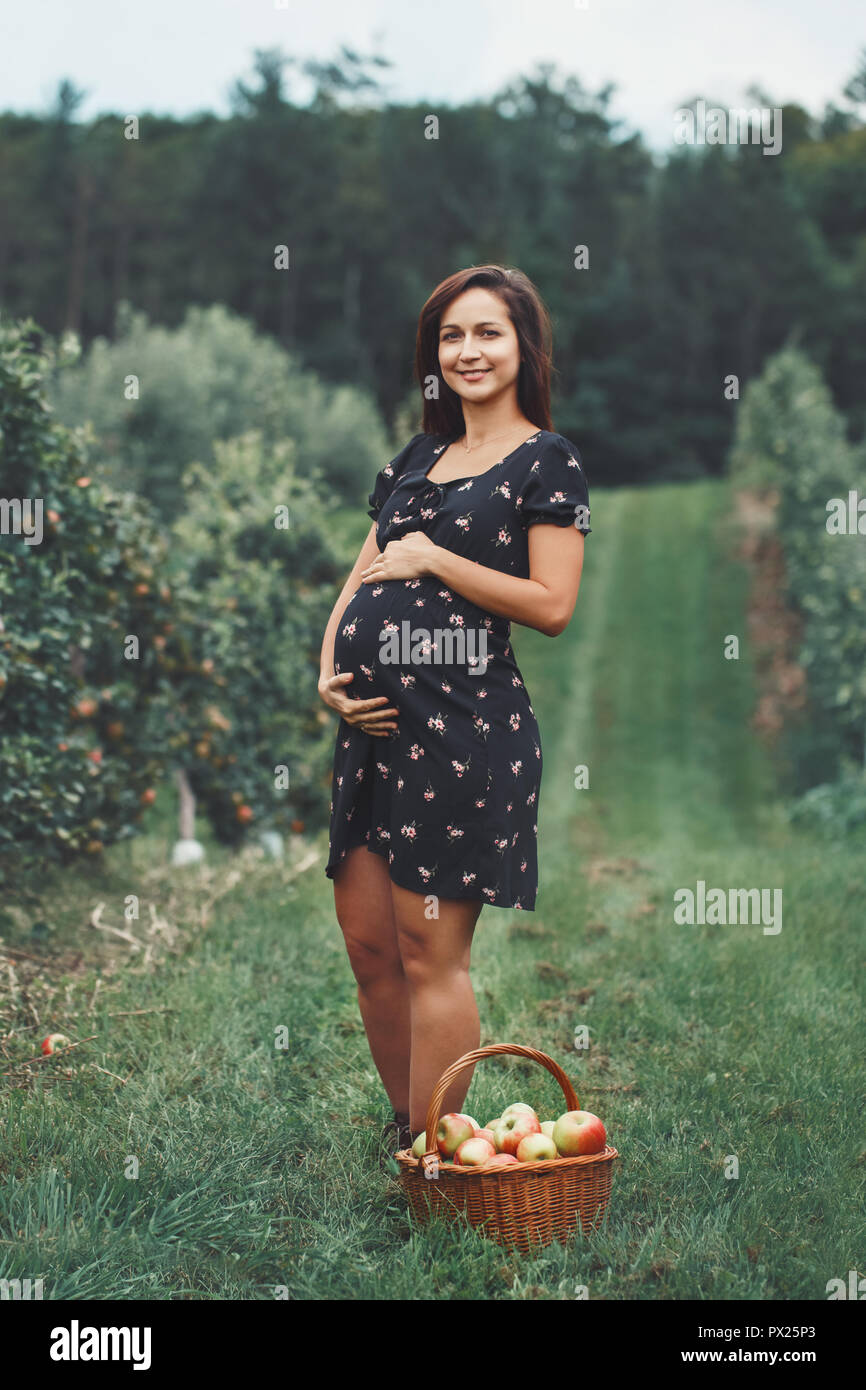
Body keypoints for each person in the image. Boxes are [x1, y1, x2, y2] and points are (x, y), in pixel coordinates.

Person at [317, 264, 591, 1158]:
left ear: (523, 347)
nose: (468, 351)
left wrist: (435, 559)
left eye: (488, 333)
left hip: (463, 737)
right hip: (372, 734)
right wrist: (330, 669)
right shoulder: (418, 458)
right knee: (369, 948)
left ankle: (438, 1156)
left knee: (431, 953)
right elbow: (361, 573)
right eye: (451, 336)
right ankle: (411, 1134)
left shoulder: (546, 460)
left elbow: (552, 605)